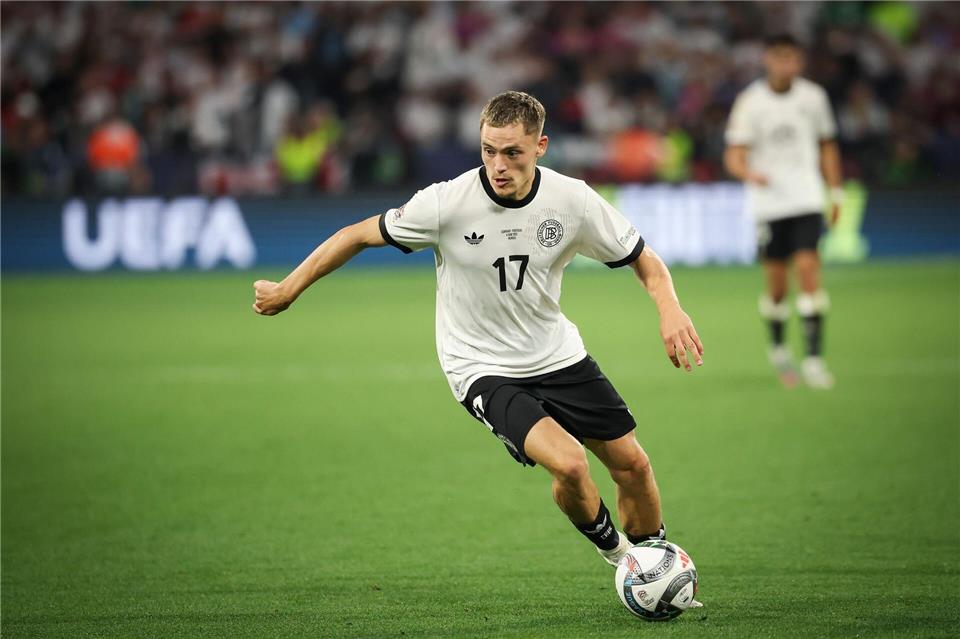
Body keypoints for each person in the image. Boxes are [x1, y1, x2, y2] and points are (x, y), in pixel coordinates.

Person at [252, 91, 704, 570]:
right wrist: (288, 289)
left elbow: (644, 259)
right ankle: (626, 563)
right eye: (489, 150)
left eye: (512, 152)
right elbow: (356, 234)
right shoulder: (447, 203)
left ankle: (661, 571)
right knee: (569, 464)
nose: (498, 164)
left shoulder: (572, 200)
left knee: (633, 466)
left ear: (541, 146)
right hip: (481, 366)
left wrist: (670, 308)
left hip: (556, 353)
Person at [724, 34, 843, 390]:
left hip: (806, 198)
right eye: (779, 58)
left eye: (791, 58)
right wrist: (748, 173)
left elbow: (827, 146)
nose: (785, 65)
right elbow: (734, 155)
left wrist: (835, 191)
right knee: (777, 288)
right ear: (767, 60)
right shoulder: (750, 102)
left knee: (808, 271)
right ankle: (778, 348)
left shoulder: (814, 97)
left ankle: (814, 359)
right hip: (769, 204)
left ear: (799, 61)